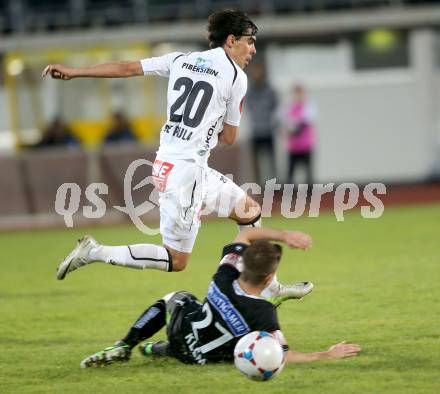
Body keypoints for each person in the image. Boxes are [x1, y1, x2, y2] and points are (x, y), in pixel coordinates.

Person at [44, 9, 302, 302]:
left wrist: (76, 71)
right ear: (231, 41)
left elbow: (128, 68)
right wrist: (208, 127)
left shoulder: (181, 59)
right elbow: (229, 138)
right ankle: (95, 252)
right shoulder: (235, 77)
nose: (253, 49)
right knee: (176, 260)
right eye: (250, 41)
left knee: (250, 212)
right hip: (187, 172)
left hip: (170, 162)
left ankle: (269, 287)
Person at [79, 226, 361, 368]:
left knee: (177, 297)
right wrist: (326, 354)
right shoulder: (264, 315)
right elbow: (285, 356)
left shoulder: (224, 275)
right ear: (267, 279)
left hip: (182, 335)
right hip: (209, 360)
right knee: (232, 341)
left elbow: (246, 232)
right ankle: (156, 350)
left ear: (243, 263)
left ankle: (128, 345)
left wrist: (285, 235)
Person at [246, 62, 278, 184]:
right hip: (255, 131)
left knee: (271, 161)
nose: (257, 74)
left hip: (268, 130)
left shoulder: (270, 89)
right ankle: (258, 185)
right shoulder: (250, 91)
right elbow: (248, 106)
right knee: (255, 162)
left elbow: (275, 104)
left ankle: (274, 185)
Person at [283, 83, 317, 188]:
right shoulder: (289, 108)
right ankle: (289, 196)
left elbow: (307, 120)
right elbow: (286, 123)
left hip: (305, 146)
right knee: (290, 173)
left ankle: (310, 196)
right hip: (293, 147)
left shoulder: (309, 107)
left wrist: (295, 125)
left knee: (308, 173)